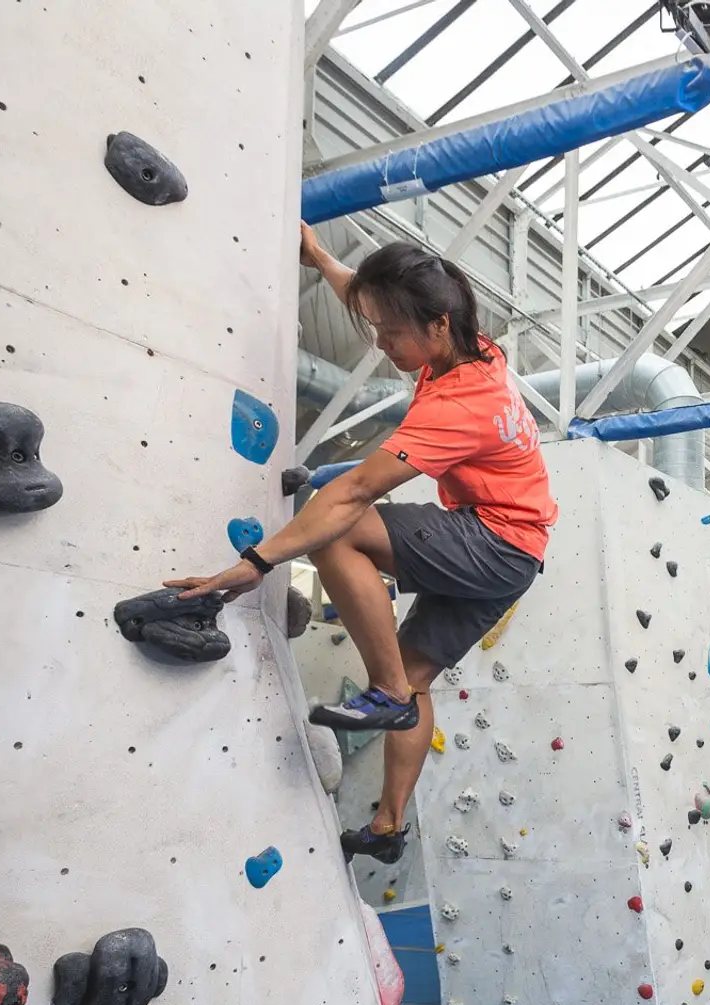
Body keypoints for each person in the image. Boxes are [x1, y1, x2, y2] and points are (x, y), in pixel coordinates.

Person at [168, 227, 554, 865]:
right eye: (377, 328)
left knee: (340, 529)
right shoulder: (472, 347)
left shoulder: (461, 405)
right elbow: (373, 300)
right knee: (417, 679)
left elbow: (351, 495)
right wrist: (319, 255)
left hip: (493, 540)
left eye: (392, 335)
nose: (381, 343)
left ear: (434, 327)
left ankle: (389, 694)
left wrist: (255, 563)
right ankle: (387, 826)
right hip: (519, 557)